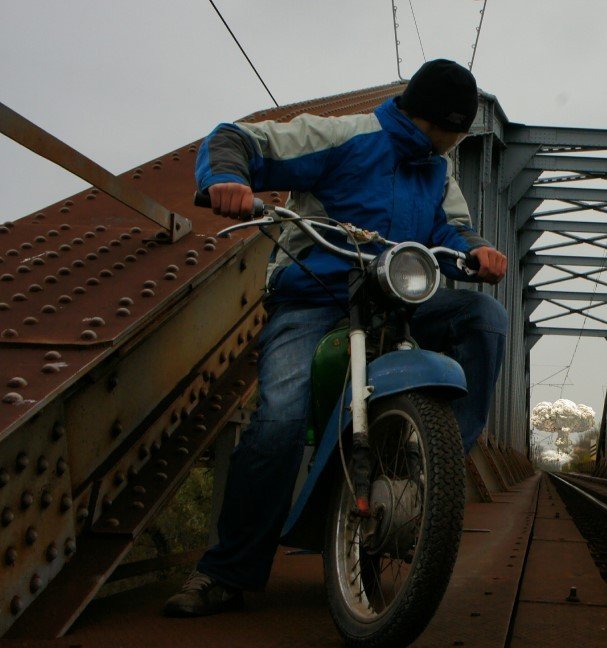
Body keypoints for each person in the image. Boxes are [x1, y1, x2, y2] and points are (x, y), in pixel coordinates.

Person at [164, 59, 508, 617]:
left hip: (395, 298)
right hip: (315, 295)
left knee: (483, 319)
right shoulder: (346, 135)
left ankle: (428, 475)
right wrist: (226, 177)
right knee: (279, 418)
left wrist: (476, 251)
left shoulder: (437, 168)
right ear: (439, 123)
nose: (457, 143)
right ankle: (226, 571)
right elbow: (237, 138)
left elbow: (451, 229)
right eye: (456, 132)